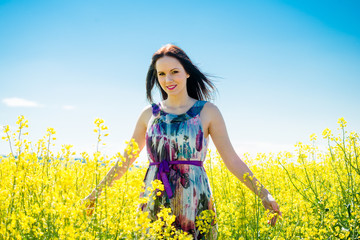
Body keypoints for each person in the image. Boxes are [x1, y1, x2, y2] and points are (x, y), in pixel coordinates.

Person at [83, 43, 282, 239]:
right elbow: (125, 160)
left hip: (194, 199)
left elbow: (231, 159)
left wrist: (264, 194)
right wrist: (96, 192)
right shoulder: (148, 114)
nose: (167, 79)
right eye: (161, 74)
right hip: (155, 199)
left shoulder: (208, 112)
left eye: (174, 71)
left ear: (187, 72)